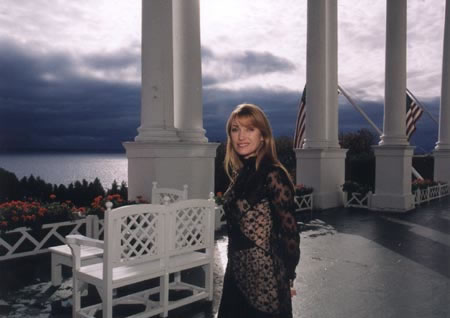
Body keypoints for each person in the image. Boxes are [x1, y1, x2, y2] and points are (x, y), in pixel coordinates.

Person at [218, 103, 301, 318]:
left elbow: (290, 233)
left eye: (249, 129)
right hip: (235, 276)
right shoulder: (241, 174)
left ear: (263, 136)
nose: (241, 136)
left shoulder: (273, 175)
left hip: (265, 283)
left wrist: (288, 276)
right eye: (235, 129)